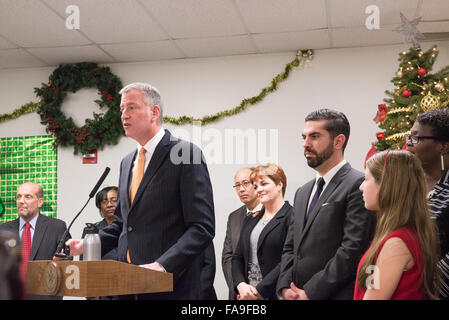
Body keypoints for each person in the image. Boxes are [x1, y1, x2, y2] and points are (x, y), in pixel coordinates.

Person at [66, 82, 215, 300]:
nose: (124, 115)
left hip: (170, 287)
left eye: (132, 107)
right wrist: (90, 243)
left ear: (154, 112)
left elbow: (202, 227)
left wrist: (163, 265)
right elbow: (123, 224)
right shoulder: (128, 162)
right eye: (121, 109)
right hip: (127, 286)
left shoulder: (185, 153)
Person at [277, 108, 375, 300]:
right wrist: (284, 287)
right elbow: (290, 247)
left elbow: (352, 250)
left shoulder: (358, 184)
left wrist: (311, 292)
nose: (305, 144)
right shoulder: (302, 192)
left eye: (314, 136)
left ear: (338, 141)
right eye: (304, 137)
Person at [354, 150, 440, 299]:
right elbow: (370, 285)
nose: (361, 187)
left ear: (387, 185)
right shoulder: (393, 236)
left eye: (366, 179)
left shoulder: (397, 243)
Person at [232, 163, 293, 300]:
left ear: (279, 185)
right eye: (256, 186)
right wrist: (241, 285)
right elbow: (237, 258)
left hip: (274, 294)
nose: (259, 189)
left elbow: (289, 260)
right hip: (247, 295)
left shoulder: (292, 216)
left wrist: (258, 292)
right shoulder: (250, 220)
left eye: (264, 184)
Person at [0, 182, 70, 300]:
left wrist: (58, 264)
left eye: (28, 197)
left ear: (40, 202)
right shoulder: (3, 229)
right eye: (18, 197)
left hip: (45, 296)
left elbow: (67, 262)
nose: (21, 201)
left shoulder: (57, 227)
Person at [406, 109, 449, 299]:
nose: (408, 142)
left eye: (417, 138)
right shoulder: (405, 184)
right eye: (409, 136)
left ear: (444, 146)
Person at [222, 167, 262, 299]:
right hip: (238, 294)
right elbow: (227, 256)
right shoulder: (233, 217)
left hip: (263, 292)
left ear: (257, 183)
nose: (241, 189)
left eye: (246, 183)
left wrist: (256, 291)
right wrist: (238, 286)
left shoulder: (272, 213)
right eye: (237, 185)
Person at [81, 186, 118, 260]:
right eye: (104, 202)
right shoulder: (91, 231)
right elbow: (84, 261)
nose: (109, 205)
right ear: (100, 207)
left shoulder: (130, 228)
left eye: (114, 200)